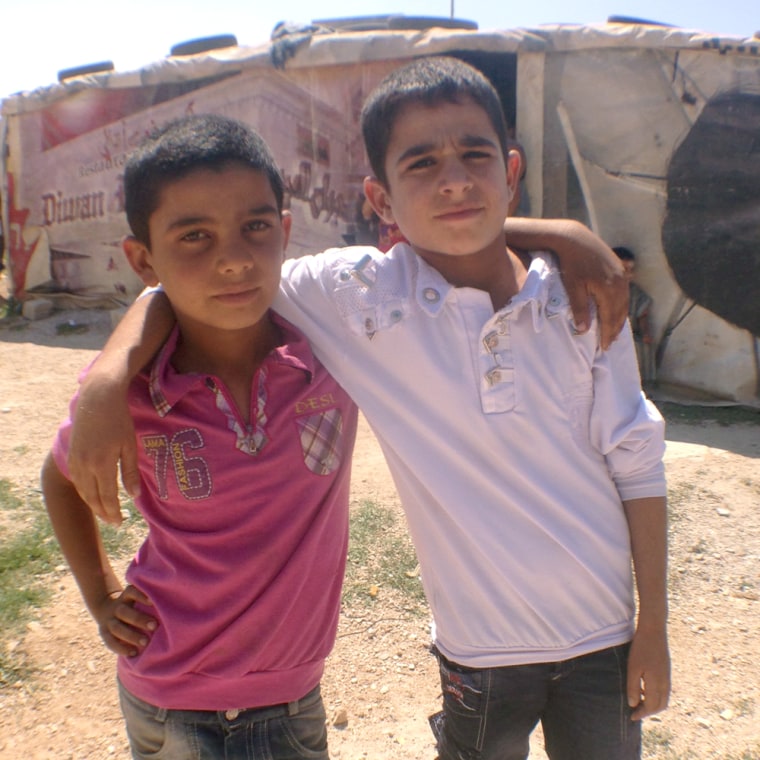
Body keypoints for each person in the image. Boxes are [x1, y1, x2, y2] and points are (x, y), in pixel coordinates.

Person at [64, 57, 664, 760]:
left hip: (606, 633)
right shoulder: (358, 296)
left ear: (512, 168)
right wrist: (108, 376)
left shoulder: (588, 301)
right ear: (379, 199)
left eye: (476, 156)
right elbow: (190, 279)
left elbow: (638, 460)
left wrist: (653, 623)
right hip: (482, 648)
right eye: (422, 163)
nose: (455, 180)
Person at [41, 114, 358, 759]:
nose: (235, 258)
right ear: (142, 258)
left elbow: (435, 247)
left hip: (293, 697)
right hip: (167, 696)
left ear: (286, 230)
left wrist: (569, 237)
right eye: (194, 236)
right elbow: (58, 476)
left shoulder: (333, 346)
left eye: (256, 227)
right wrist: (100, 596)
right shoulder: (134, 395)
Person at [614, 246, 656, 388]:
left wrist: (645, 333)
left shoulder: (634, 293)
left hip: (628, 334)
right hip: (604, 335)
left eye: (630, 270)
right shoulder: (598, 289)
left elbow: (642, 314)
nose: (628, 274)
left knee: (641, 346)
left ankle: (643, 384)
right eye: (624, 270)